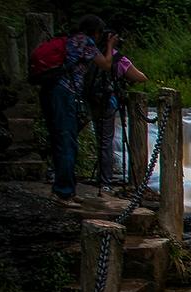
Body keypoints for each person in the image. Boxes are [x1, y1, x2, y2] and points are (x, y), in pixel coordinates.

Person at [40, 14, 117, 203]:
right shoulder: (85, 41)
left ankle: (65, 188)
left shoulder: (70, 39)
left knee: (61, 139)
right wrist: (110, 46)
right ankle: (63, 192)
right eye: (100, 33)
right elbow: (106, 64)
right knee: (67, 142)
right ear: (95, 31)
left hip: (51, 91)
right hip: (65, 94)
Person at [89, 45, 148, 192]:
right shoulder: (117, 58)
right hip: (108, 102)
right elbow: (140, 77)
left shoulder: (88, 53)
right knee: (106, 141)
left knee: (96, 139)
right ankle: (105, 181)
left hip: (88, 100)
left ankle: (99, 176)